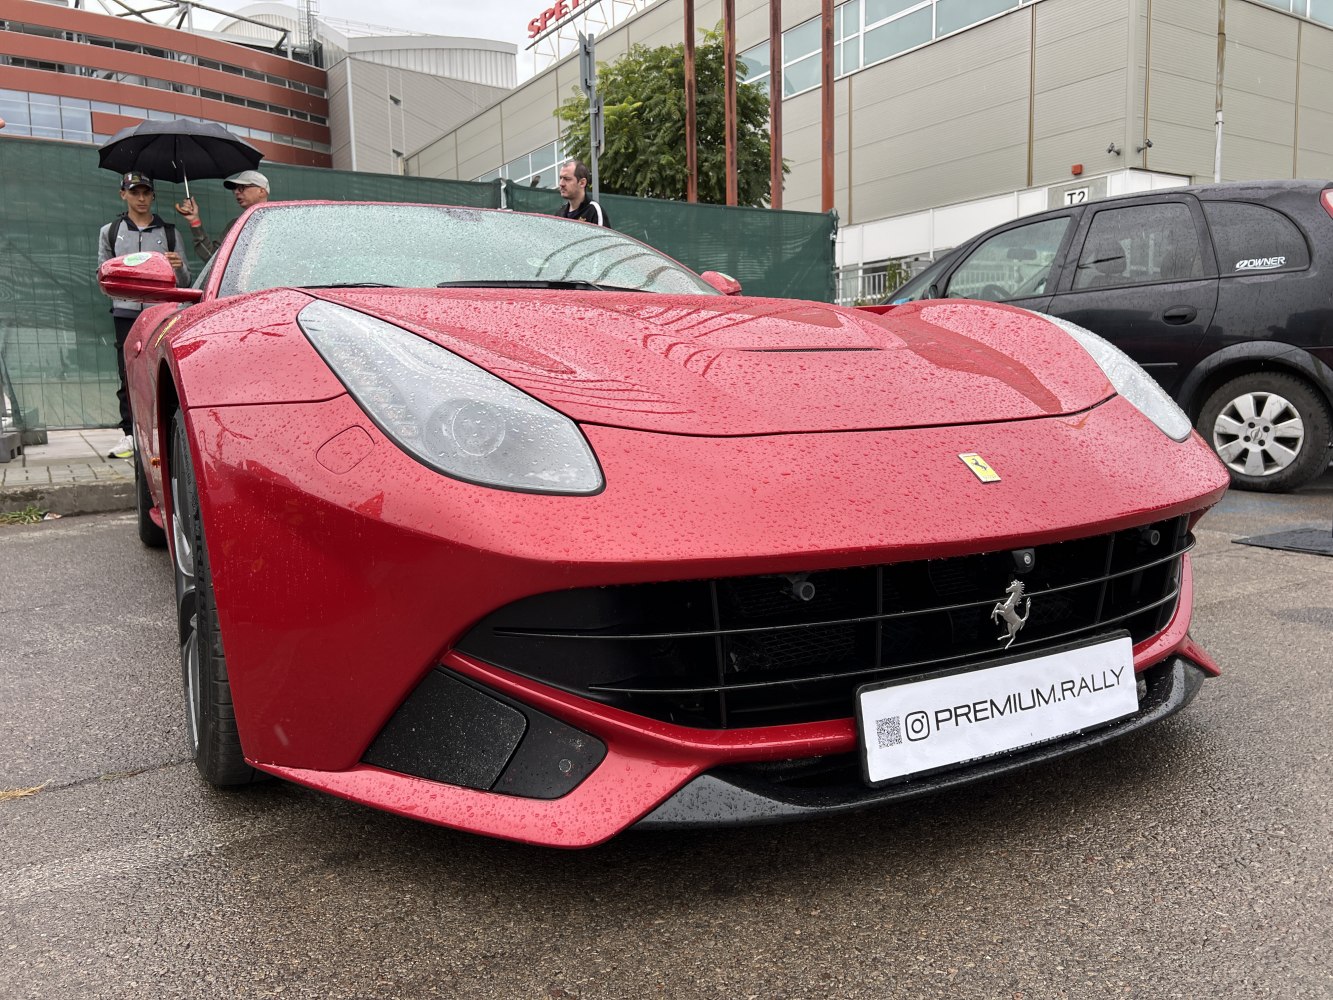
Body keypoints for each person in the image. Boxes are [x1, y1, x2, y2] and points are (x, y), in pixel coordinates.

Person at [97, 172, 190, 460]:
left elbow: (186, 279)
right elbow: (102, 275)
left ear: (152, 196)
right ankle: (130, 434)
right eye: (134, 192)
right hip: (125, 314)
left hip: (160, 315)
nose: (140, 198)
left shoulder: (170, 233)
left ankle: (163, 433)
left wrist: (176, 267)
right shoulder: (110, 232)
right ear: (122, 194)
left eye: (145, 193)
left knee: (159, 372)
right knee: (127, 375)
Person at [173, 169, 270, 262]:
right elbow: (213, 259)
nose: (236, 192)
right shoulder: (236, 225)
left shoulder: (279, 221)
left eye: (242, 188)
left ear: (261, 191)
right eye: (235, 189)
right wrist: (194, 221)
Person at [556, 159, 609, 227]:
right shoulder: (559, 213)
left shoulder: (593, 210)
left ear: (582, 183)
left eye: (567, 179)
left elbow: (602, 237)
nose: (561, 184)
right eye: (560, 178)